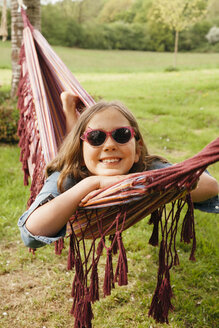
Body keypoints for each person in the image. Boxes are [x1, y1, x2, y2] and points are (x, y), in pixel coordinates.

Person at [18, 93, 219, 249]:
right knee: (72, 146)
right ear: (81, 153)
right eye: (96, 137)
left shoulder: (145, 167)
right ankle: (70, 111)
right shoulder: (68, 175)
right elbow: (32, 233)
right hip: (80, 165)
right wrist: (92, 183)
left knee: (87, 146)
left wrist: (138, 181)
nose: (110, 145)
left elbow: (210, 187)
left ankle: (77, 118)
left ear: (137, 149)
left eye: (121, 135)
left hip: (105, 162)